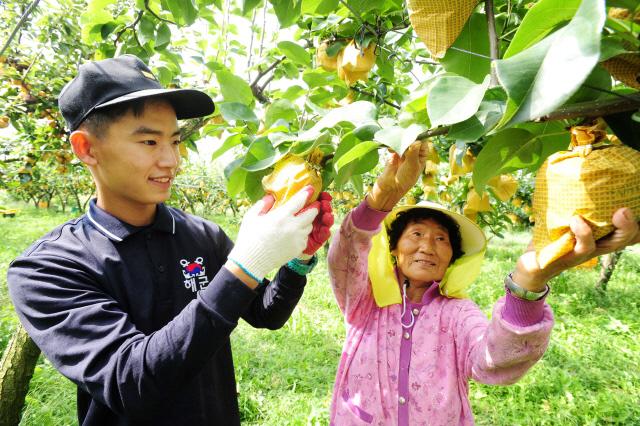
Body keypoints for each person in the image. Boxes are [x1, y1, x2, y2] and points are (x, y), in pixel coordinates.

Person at [7, 55, 334, 425]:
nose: (171, 160)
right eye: (149, 141)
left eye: (175, 141)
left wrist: (297, 260)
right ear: (86, 148)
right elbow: (131, 381)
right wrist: (245, 264)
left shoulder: (201, 235)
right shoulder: (48, 268)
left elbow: (266, 313)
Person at [327, 141, 639, 425]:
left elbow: (493, 361)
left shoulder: (457, 313)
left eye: (441, 239)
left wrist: (527, 285)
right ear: (394, 248)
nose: (427, 246)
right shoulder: (367, 299)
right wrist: (382, 199)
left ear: (452, 258)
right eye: (417, 234)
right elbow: (346, 255)